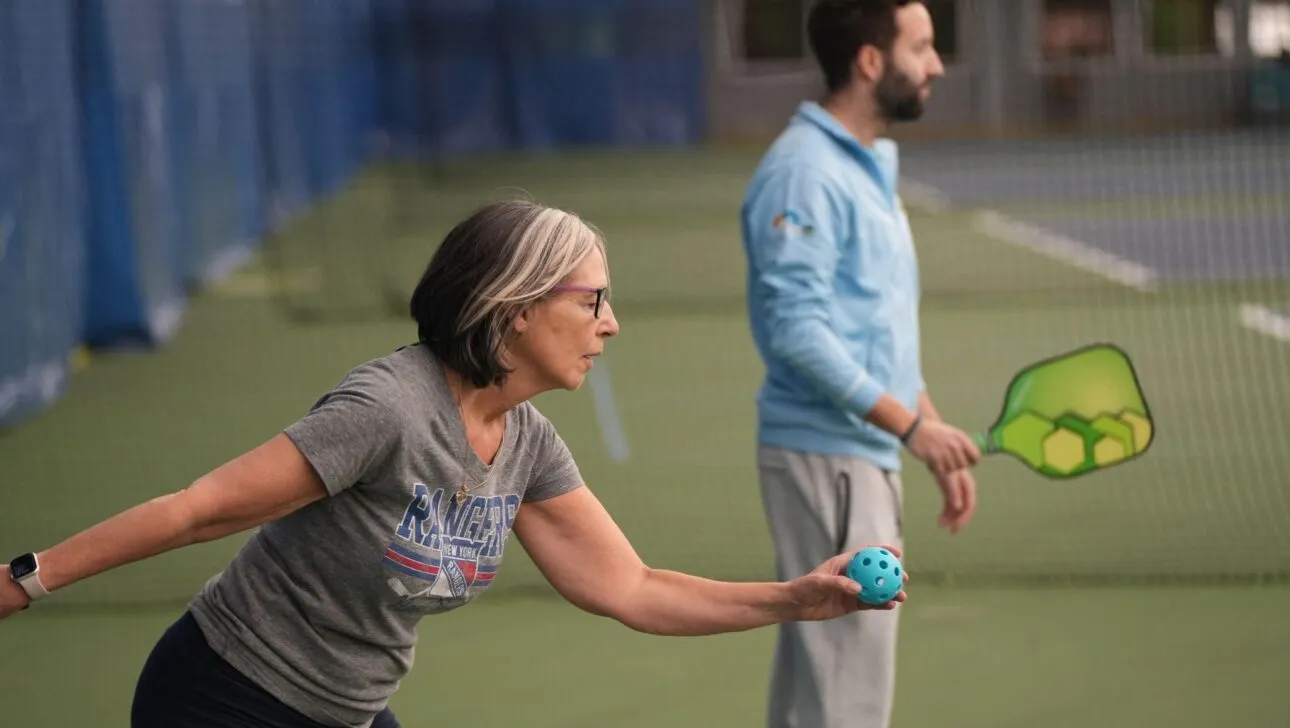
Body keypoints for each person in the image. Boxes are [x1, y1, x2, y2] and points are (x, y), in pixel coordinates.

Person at [1, 199, 907, 728]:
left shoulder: (526, 446)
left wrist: (796, 598)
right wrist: (22, 581)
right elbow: (200, 509)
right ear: (515, 307)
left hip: (346, 710)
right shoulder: (388, 411)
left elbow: (630, 588)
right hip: (225, 695)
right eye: (592, 299)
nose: (611, 322)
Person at [738, 2, 982, 727]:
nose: (936, 64)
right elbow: (797, 332)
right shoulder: (805, 174)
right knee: (842, 695)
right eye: (923, 46)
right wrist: (911, 428)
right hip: (829, 459)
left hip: (858, 454)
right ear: (872, 61)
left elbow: (870, 327)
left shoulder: (867, 163)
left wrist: (928, 428)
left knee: (824, 686)